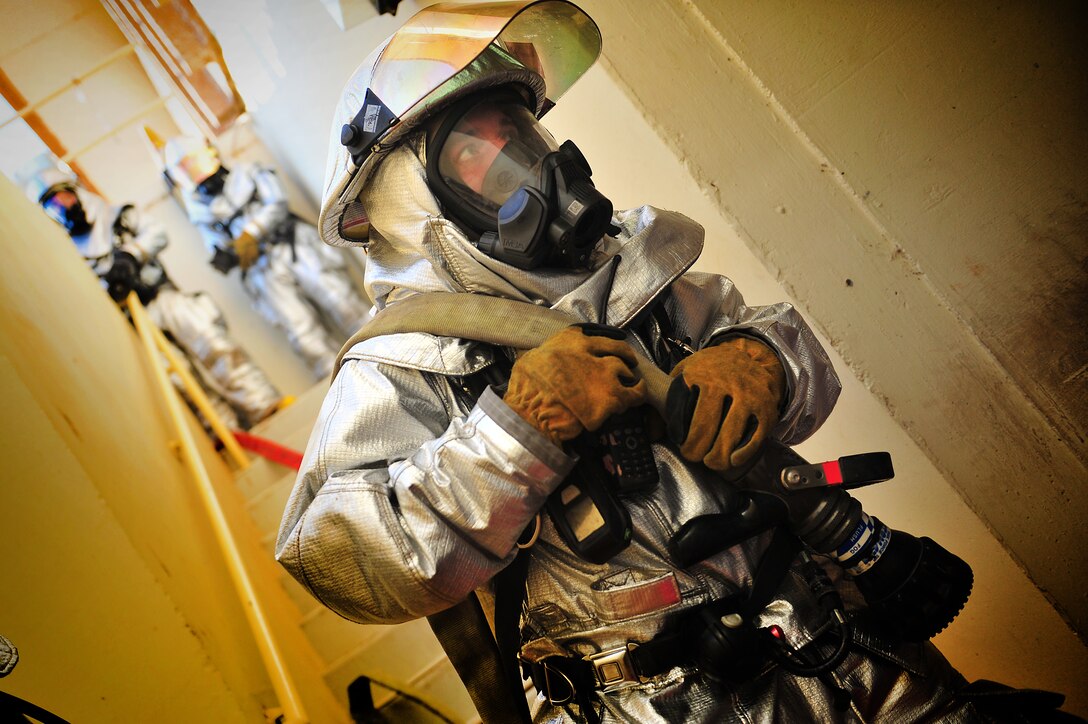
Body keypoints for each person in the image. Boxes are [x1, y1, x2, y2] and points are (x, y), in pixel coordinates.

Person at [276, 3, 1071, 723]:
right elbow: (339, 562)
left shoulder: (637, 276)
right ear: (418, 207)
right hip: (648, 705)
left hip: (843, 643)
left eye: (519, 135)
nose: (529, 165)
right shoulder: (402, 367)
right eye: (478, 155)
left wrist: (762, 361)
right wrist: (514, 434)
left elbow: (788, 350)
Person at [25, 161, 284, 431]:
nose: (62, 206)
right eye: (52, 205)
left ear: (74, 192)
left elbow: (157, 232)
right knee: (179, 379)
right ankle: (227, 433)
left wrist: (131, 254)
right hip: (137, 321)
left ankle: (264, 406)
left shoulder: (118, 217)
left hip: (163, 295)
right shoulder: (70, 255)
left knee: (212, 343)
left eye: (63, 197)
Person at [161, 136, 371, 379]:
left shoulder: (251, 173)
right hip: (262, 270)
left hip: (295, 246)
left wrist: (252, 233)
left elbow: (278, 202)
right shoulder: (200, 210)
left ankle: (388, 352)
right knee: (302, 333)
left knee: (343, 303)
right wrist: (228, 254)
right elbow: (213, 243)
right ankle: (339, 383)